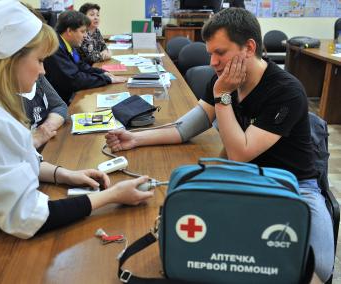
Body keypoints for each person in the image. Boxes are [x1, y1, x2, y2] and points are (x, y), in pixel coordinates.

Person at [0, 1, 153, 283]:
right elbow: (28, 219)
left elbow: (11, 158)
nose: (43, 71)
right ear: (11, 59)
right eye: (40, 60)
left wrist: (64, 174)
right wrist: (112, 196)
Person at [105, 8, 334, 281]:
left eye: (220, 53)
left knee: (316, 269)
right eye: (210, 52)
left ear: (249, 47)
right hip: (243, 179)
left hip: (294, 185)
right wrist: (136, 138)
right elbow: (186, 128)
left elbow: (240, 154)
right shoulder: (223, 79)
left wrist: (223, 96)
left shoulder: (285, 90)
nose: (213, 62)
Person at [44, 10, 126, 104]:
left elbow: (80, 65)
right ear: (69, 31)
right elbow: (74, 80)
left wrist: (103, 73)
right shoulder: (54, 48)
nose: (85, 36)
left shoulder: (68, 44)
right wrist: (106, 79)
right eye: (82, 31)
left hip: (68, 96)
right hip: (59, 103)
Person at [23, 75, 68, 148]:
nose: (43, 71)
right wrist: (35, 140)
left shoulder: (37, 76)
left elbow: (59, 106)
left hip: (48, 139)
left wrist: (46, 128)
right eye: (39, 63)